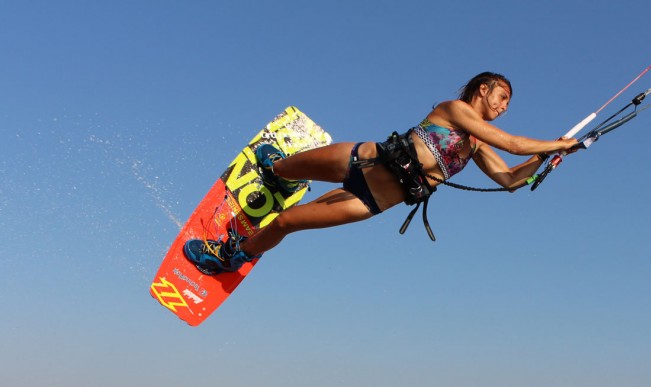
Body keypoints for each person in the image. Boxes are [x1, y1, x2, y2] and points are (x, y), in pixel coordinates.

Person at [185, 72, 579, 275]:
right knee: (281, 167)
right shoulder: (455, 110)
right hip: (361, 159)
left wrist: (546, 157)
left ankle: (232, 255)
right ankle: (280, 173)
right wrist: (553, 145)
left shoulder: (476, 145)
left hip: (369, 200)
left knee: (288, 220)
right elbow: (511, 142)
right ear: (482, 89)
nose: (506, 106)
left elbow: (509, 179)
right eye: (503, 97)